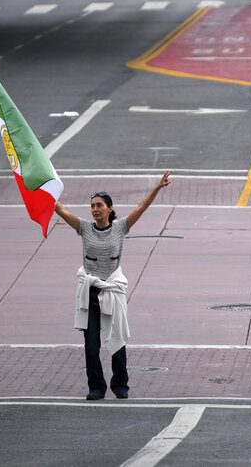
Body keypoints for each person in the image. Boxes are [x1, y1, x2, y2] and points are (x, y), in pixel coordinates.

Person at [54, 171, 172, 400]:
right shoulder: (84, 228)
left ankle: (120, 385)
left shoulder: (120, 228)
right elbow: (59, 209)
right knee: (91, 345)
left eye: (99, 205)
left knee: (117, 340)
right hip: (90, 292)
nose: (95, 209)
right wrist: (38, 186)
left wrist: (158, 187)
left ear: (109, 208)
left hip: (113, 291)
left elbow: (141, 207)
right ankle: (96, 387)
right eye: (92, 206)